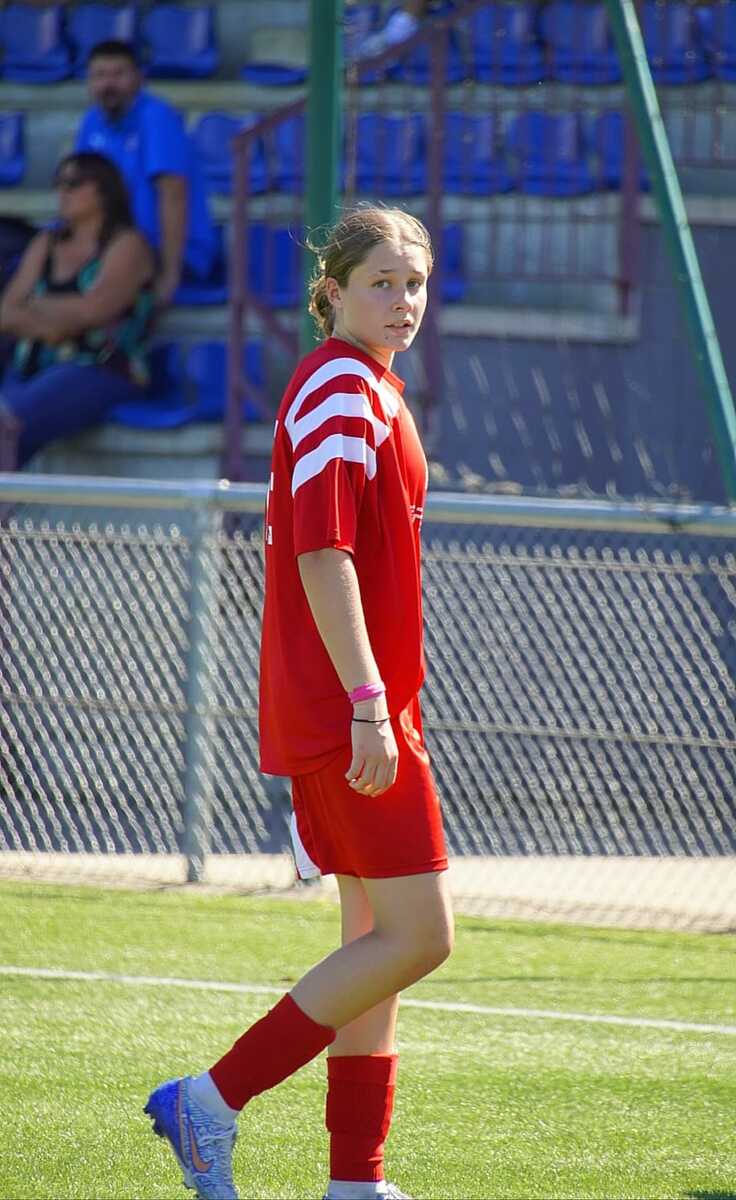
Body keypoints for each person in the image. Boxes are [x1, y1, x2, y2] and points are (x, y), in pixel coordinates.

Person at [144, 206, 453, 1200]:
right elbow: (323, 552)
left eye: (414, 282)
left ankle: (356, 1182)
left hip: (365, 705)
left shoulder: (366, 385)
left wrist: (379, 697)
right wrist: (366, 699)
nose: (402, 301)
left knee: (376, 942)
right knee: (419, 937)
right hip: (347, 710)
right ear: (332, 293)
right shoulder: (339, 387)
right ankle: (209, 1100)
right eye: (380, 283)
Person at [0, 152, 155, 468]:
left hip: (100, 367)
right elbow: (6, 312)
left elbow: (95, 310)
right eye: (58, 183)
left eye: (73, 183)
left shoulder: (128, 245)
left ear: (104, 190)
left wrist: (36, 305)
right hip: (32, 365)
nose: (62, 192)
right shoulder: (46, 242)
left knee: (7, 422)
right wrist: (52, 328)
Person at [75, 39, 216, 308]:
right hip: (116, 248)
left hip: (170, 251)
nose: (108, 84)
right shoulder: (92, 120)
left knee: (92, 294)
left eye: (119, 74)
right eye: (100, 75)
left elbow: (173, 194)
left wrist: (170, 277)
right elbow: (82, 190)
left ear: (139, 78)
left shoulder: (156, 116)